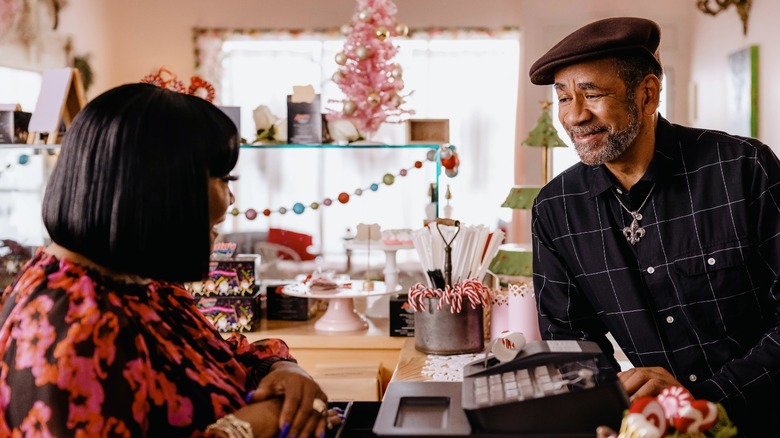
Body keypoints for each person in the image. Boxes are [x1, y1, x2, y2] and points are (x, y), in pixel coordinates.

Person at [0, 82, 340, 437]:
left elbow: (219, 358)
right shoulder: (70, 332)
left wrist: (283, 371)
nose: (232, 197)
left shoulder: (141, 282)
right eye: (224, 178)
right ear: (161, 184)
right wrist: (245, 428)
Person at [529, 17, 780, 435]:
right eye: (563, 96)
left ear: (647, 95)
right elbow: (570, 345)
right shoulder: (556, 209)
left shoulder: (743, 170)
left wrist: (700, 402)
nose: (574, 115)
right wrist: (606, 409)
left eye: (592, 93)